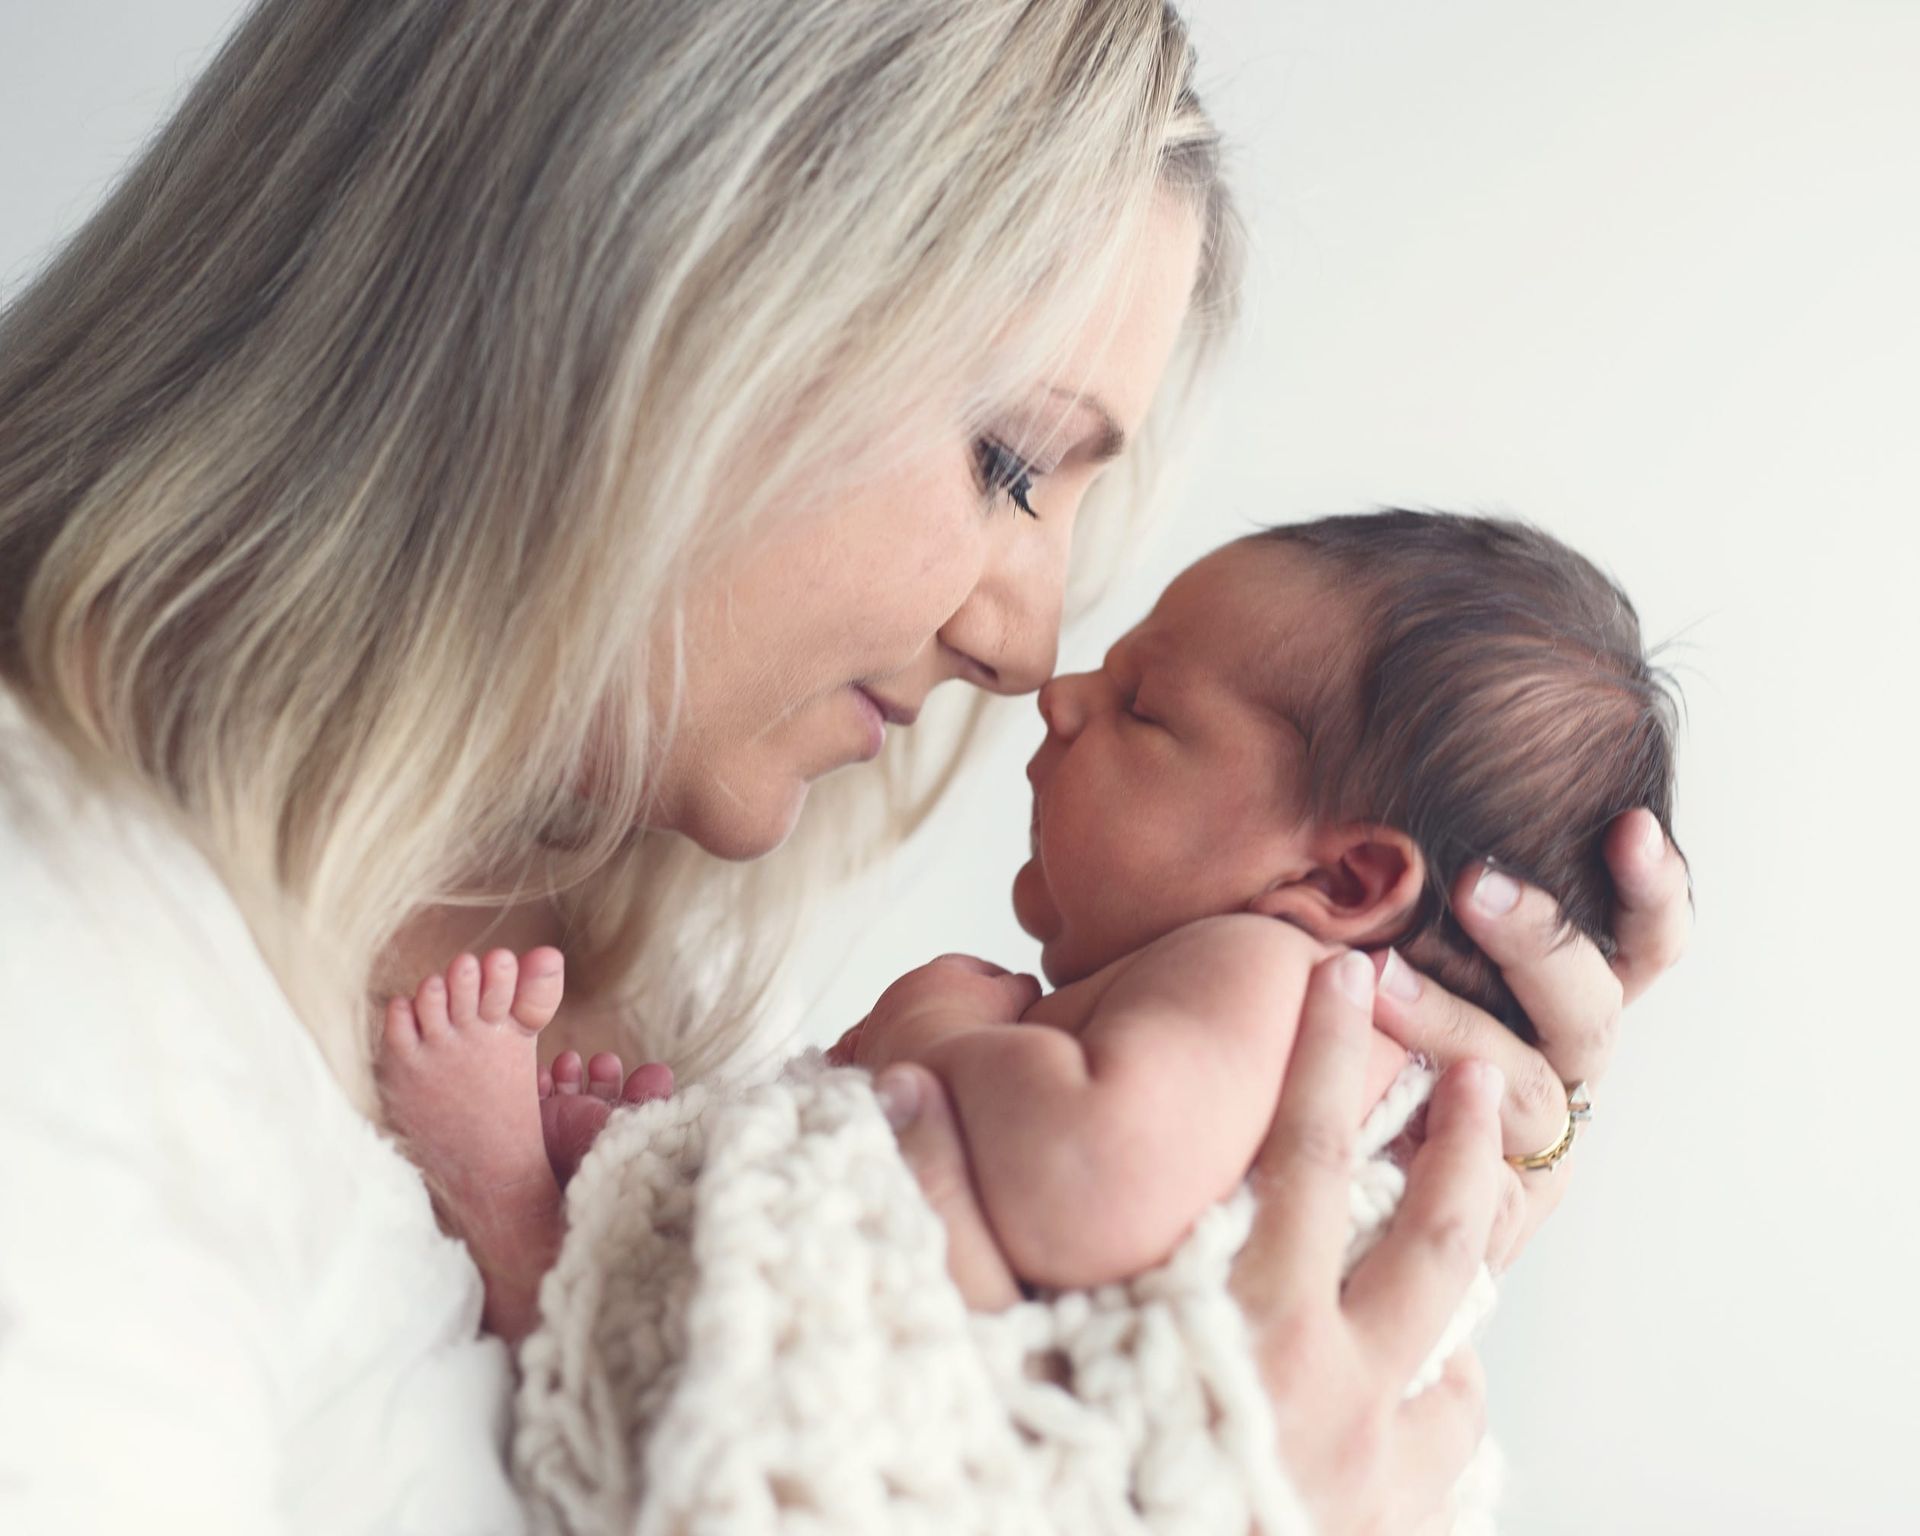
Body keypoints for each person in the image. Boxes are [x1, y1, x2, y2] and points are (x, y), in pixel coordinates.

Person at [0, 4, 1691, 1533]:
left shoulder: (699, 990)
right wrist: (1207, 1489)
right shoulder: (65, 988)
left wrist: (1404, 1189)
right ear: (638, 280)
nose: (1027, 650)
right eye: (1012, 463)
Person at [379, 508, 1679, 1320]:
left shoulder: (1269, 977)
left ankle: (522, 1222)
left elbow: (1085, 1185)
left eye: (1146, 710)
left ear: (1341, 886)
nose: (1055, 693)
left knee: (702, 1327)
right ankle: (626, 1181)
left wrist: (932, 1036)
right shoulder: (1272, 1002)